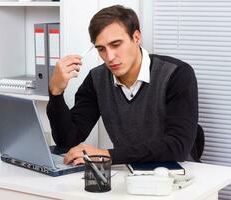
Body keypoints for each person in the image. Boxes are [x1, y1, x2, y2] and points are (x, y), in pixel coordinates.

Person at [47, 5, 198, 165]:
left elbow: (178, 146)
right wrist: (56, 92)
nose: (109, 56)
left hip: (179, 176)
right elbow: (67, 141)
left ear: (136, 38)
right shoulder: (97, 79)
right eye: (101, 49)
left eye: (116, 44)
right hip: (127, 174)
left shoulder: (176, 74)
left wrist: (106, 155)